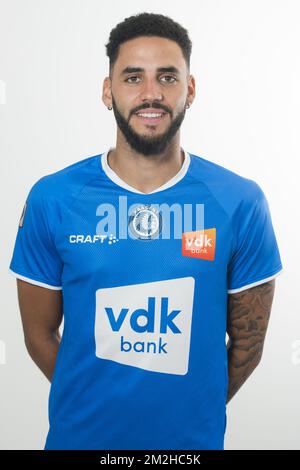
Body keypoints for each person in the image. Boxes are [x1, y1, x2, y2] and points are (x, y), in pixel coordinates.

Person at [9, 12, 283, 450]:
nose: (151, 94)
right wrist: (96, 404)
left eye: (168, 77)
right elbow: (38, 334)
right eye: (133, 77)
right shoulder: (54, 198)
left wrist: (186, 409)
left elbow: (248, 342)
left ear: (190, 90)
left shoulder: (239, 202)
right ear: (107, 90)